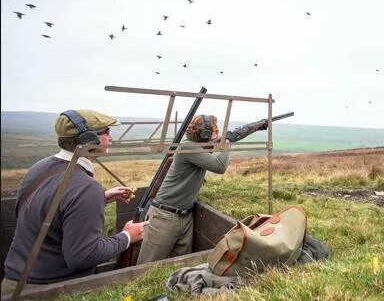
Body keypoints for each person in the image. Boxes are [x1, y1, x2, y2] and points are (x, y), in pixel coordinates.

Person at [1, 109, 148, 295]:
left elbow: (48, 210)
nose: (110, 138)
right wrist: (127, 236)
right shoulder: (86, 188)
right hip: (50, 290)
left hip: (15, 282)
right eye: (106, 132)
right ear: (89, 139)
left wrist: (101, 198)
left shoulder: (39, 168)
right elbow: (84, 256)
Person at [137, 114, 231, 264]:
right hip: (165, 216)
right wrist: (226, 144)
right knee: (147, 267)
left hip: (186, 216)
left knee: (180, 266)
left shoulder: (197, 148)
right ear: (204, 133)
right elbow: (219, 166)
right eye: (215, 130)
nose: (218, 134)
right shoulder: (187, 146)